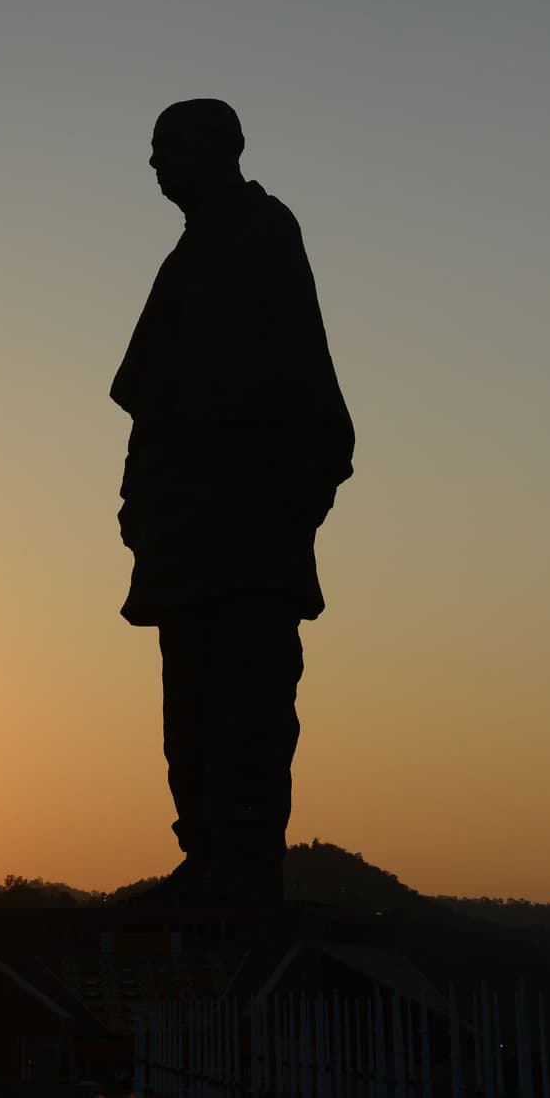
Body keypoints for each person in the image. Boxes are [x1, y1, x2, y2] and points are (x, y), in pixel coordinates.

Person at [111, 99, 354, 902]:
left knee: (246, 700)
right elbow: (152, 398)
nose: (156, 162)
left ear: (224, 148)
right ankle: (207, 854)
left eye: (170, 146)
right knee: (187, 707)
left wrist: (287, 493)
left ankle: (244, 866)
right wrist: (140, 496)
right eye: (154, 148)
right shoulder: (188, 256)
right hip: (186, 524)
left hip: (247, 518)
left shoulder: (260, 236)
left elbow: (291, 375)